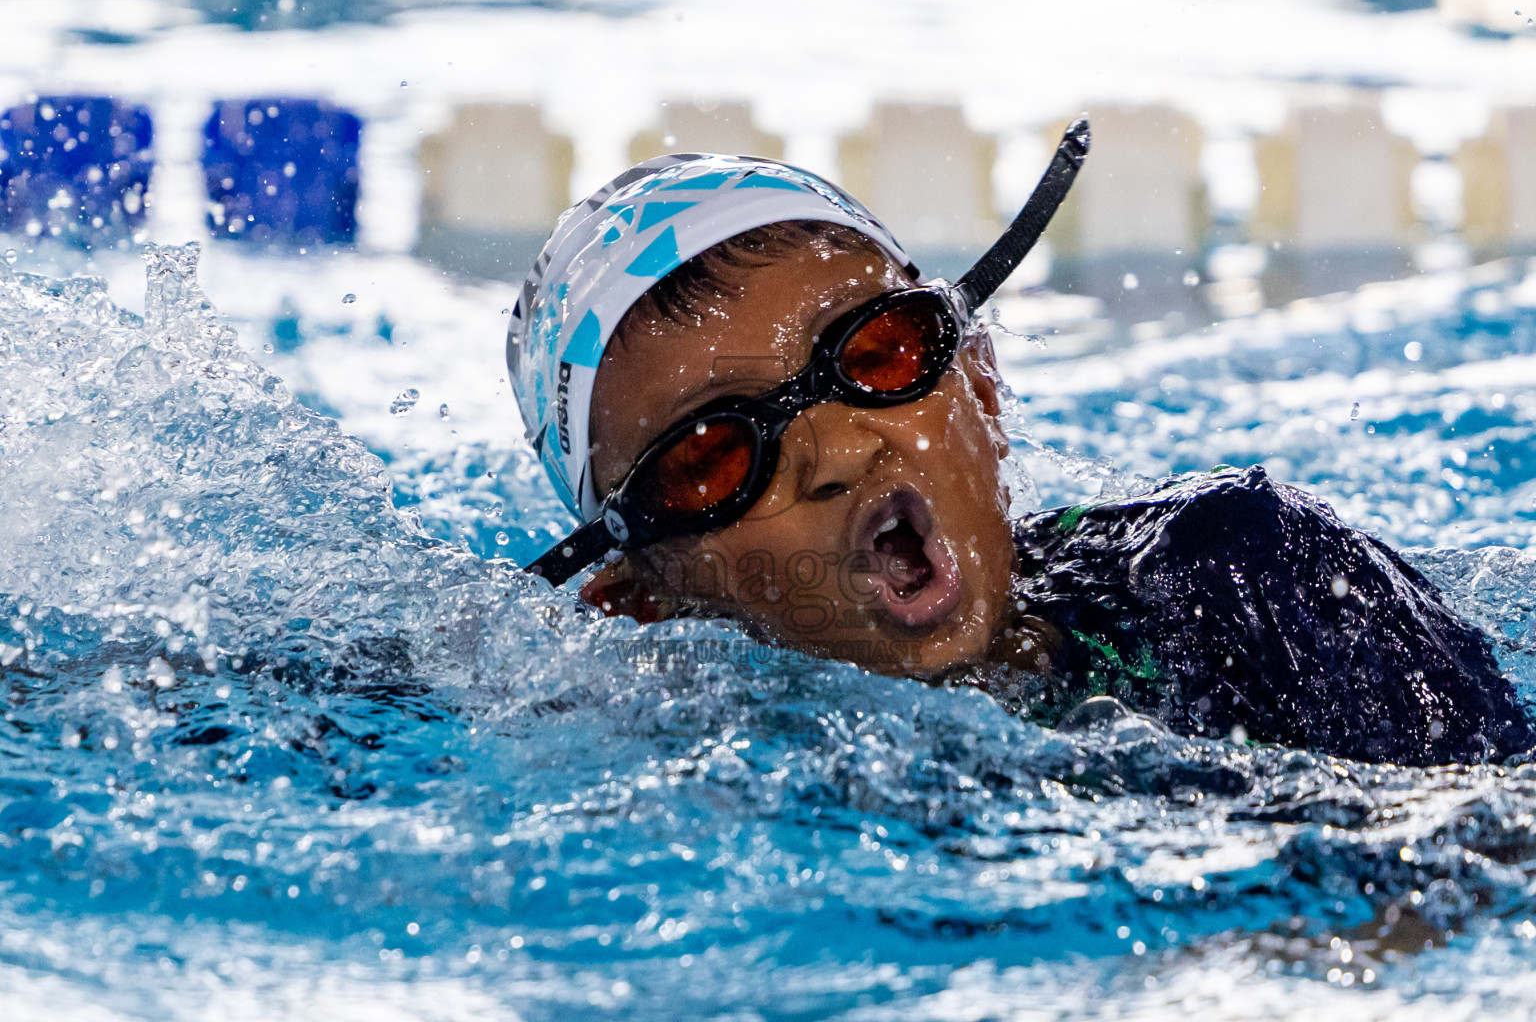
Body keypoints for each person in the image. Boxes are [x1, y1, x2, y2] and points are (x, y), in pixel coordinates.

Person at [506, 123, 1533, 767]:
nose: (835, 450)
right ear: (642, 598)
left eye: (876, 351)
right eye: (714, 457)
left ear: (981, 382)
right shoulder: (691, 791)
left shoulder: (1249, 574)